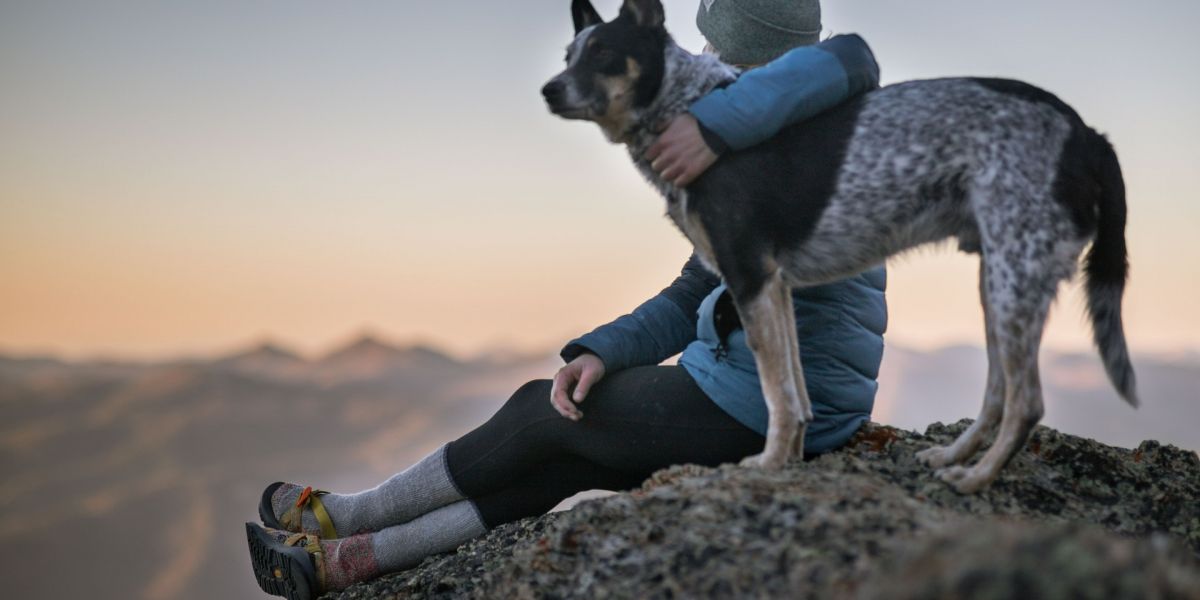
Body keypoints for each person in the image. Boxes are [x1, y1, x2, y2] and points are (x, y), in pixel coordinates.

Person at [246, 1, 887, 597]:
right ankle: (346, 562)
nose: (698, 62)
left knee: (543, 414)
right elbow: (697, 285)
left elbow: (853, 64)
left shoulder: (806, 142)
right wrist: (601, 352)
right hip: (760, 387)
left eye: (713, 48)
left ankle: (345, 516)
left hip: (776, 404)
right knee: (562, 461)